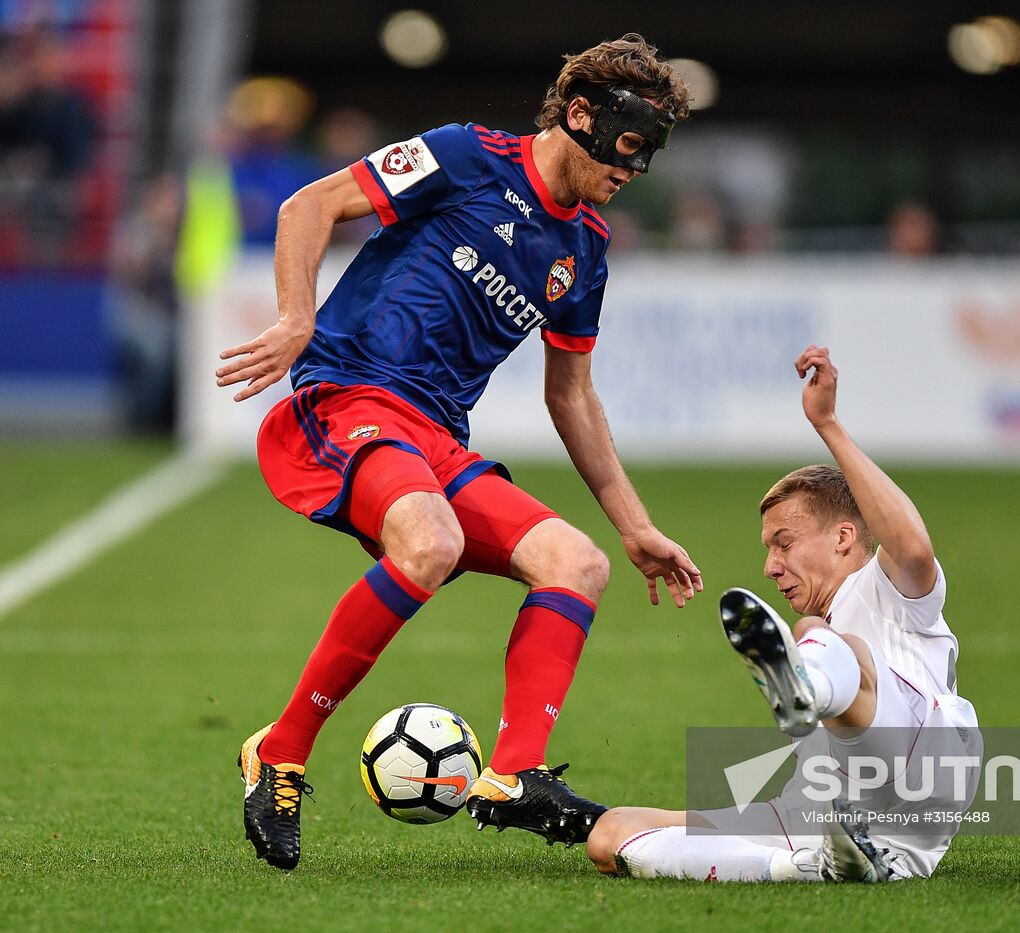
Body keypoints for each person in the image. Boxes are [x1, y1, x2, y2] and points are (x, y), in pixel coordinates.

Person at [217, 34, 700, 871]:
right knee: (431, 543)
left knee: (577, 565)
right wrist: (297, 319)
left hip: (437, 437)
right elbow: (309, 206)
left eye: (647, 157)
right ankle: (281, 751)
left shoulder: (585, 249)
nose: (633, 171)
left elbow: (571, 394)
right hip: (353, 394)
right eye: (628, 147)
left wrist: (634, 525)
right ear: (580, 114)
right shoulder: (466, 156)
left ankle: (512, 777)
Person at [585, 345, 980, 883]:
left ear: (844, 539)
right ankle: (810, 867)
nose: (771, 566)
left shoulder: (886, 587)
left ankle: (811, 692)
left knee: (819, 636)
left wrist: (829, 424)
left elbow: (912, 546)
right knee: (613, 837)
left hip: (924, 766)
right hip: (837, 813)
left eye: (784, 543)